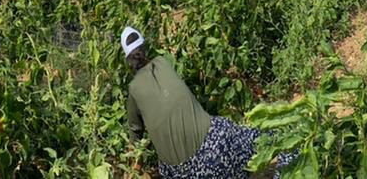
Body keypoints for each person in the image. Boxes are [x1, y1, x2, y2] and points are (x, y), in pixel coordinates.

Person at [119, 26, 282, 179]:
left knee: (166, 168)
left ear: (127, 60)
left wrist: (134, 169)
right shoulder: (163, 62)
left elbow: (136, 135)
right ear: (145, 47)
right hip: (215, 146)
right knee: (265, 136)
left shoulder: (133, 89)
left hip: (183, 172)